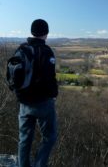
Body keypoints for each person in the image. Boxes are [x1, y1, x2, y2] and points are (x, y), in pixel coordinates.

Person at [16, 19, 58, 167]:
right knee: (50, 137)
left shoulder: (21, 49)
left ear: (32, 32)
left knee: (24, 138)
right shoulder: (46, 51)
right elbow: (50, 78)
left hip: (24, 103)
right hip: (43, 103)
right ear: (46, 33)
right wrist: (54, 95)